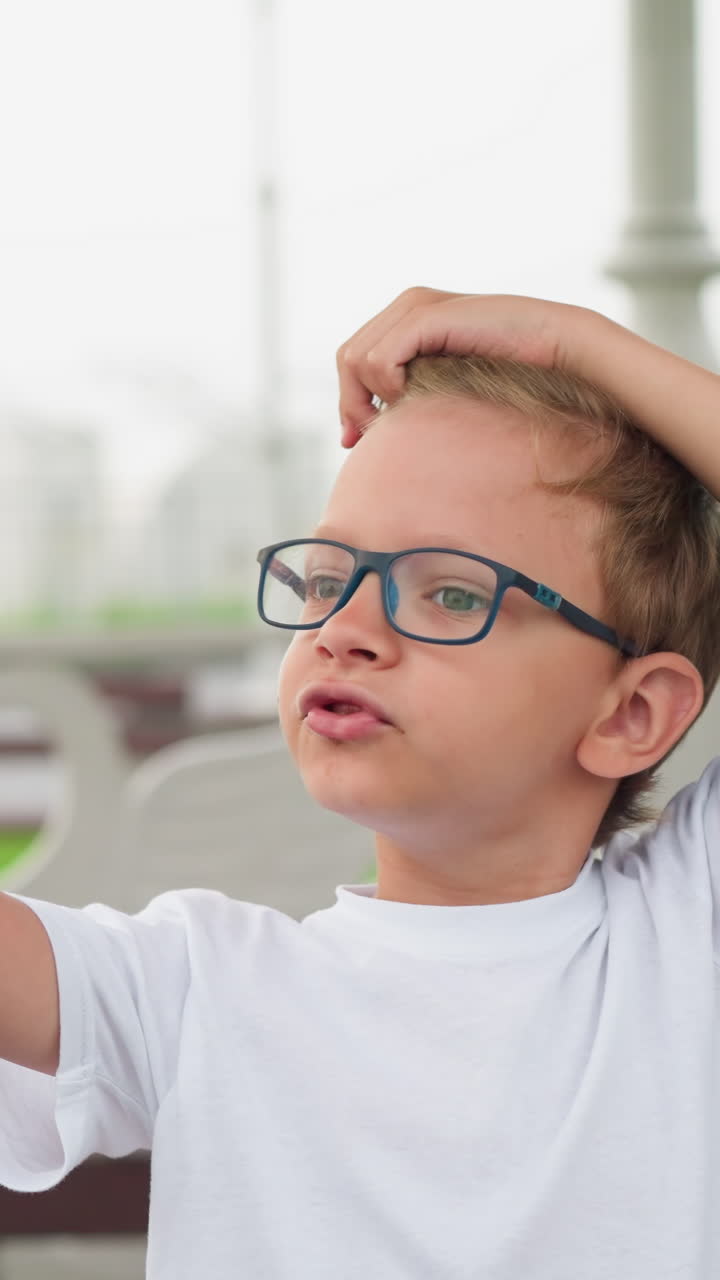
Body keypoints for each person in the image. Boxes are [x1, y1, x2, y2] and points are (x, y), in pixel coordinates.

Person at [1, 286, 719, 1278]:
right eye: (330, 578)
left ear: (630, 713)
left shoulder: (687, 937)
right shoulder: (198, 989)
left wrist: (573, 340)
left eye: (453, 591)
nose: (345, 628)